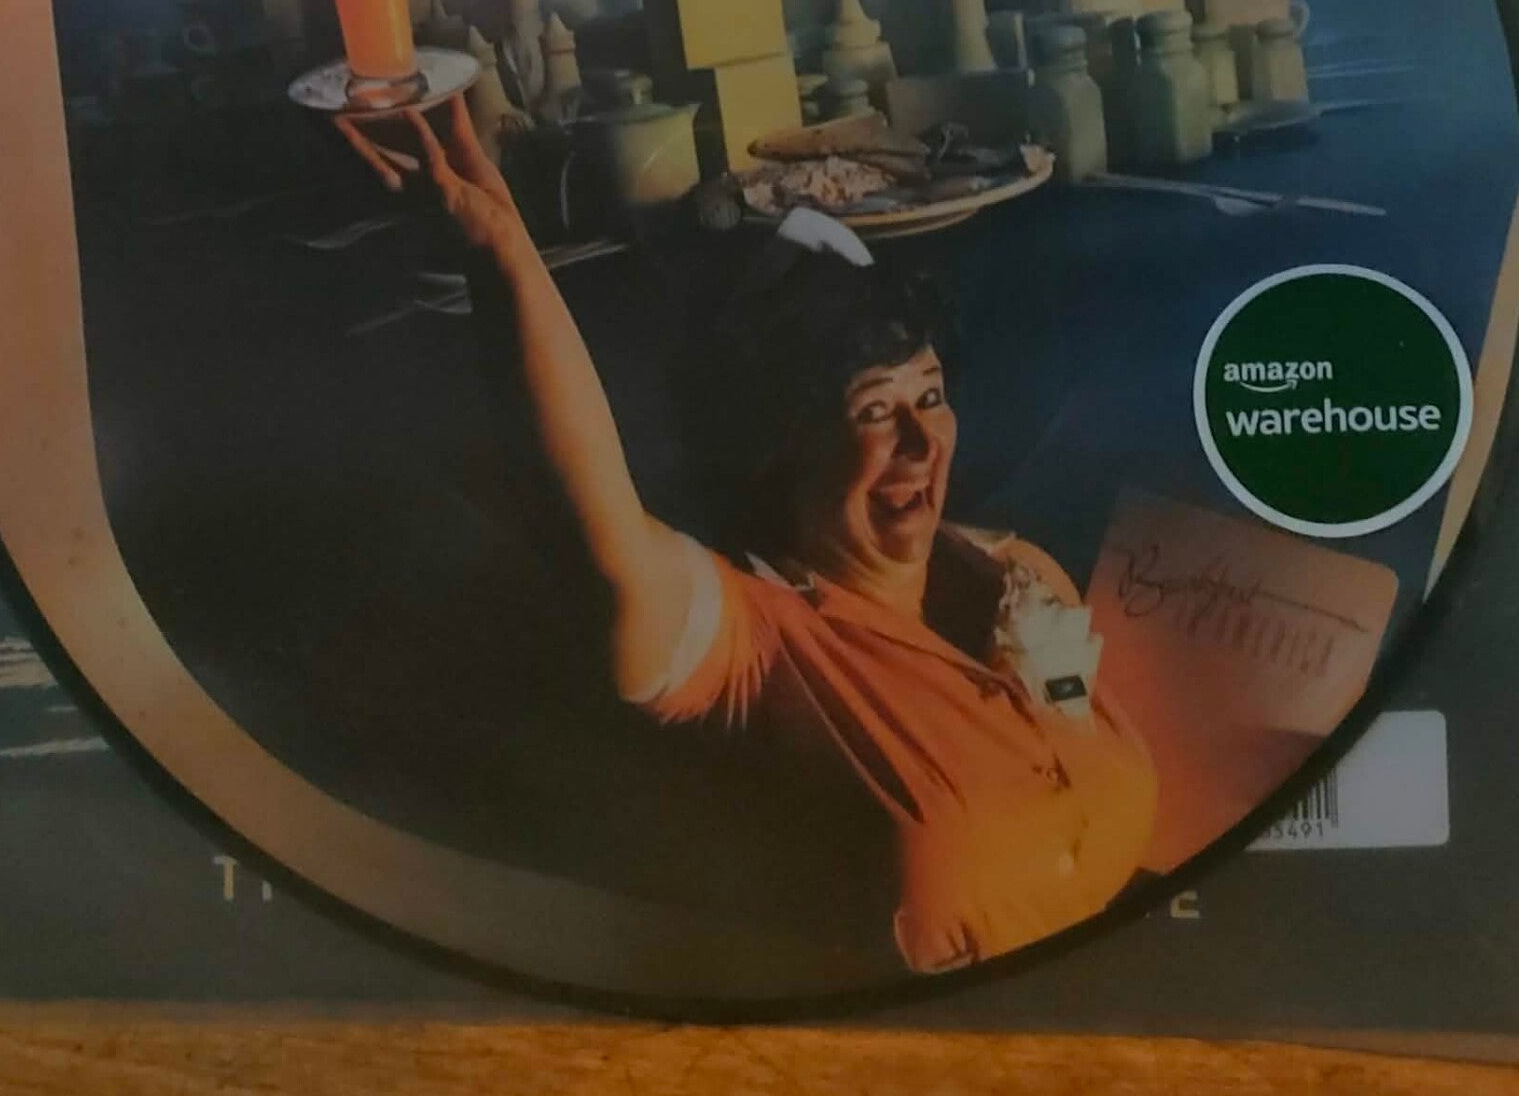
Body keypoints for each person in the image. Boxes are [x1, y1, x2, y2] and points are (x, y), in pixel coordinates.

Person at [392, 92, 1156, 974]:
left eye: (931, 395)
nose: (922, 441)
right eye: (876, 410)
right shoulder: (755, 645)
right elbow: (595, 526)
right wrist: (504, 256)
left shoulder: (1023, 576)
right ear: (787, 446)